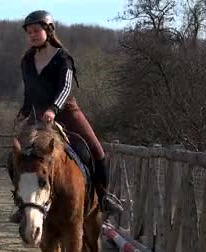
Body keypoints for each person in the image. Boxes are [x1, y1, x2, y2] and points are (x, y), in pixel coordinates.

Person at [9, 10, 123, 223]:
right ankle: (21, 203)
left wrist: (53, 109)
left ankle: (103, 196)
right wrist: (24, 112)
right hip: (37, 117)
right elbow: (29, 90)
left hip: (67, 111)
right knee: (15, 156)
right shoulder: (26, 60)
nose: (32, 35)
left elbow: (66, 87)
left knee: (97, 151)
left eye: (36, 30)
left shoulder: (63, 57)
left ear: (49, 30)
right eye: (29, 32)